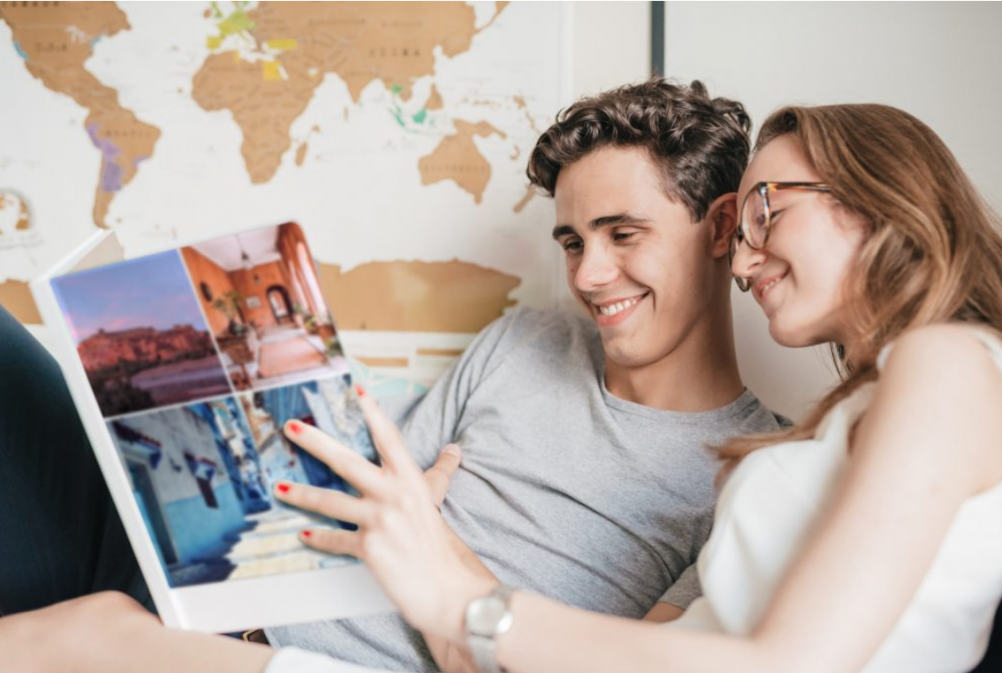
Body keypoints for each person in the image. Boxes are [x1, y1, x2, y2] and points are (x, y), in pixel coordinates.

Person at [0, 78, 781, 671]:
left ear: (718, 229)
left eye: (622, 233)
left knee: (92, 628)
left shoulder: (753, 468)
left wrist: (430, 554)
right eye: (573, 241)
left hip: (285, 656)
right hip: (227, 581)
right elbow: (368, 492)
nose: (590, 274)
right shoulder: (526, 339)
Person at [266, 102, 1002, 672]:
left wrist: (462, 599)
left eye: (763, 212)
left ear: (875, 192)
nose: (745, 266)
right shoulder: (863, 406)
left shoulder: (945, 361)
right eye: (574, 243)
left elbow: (792, 663)